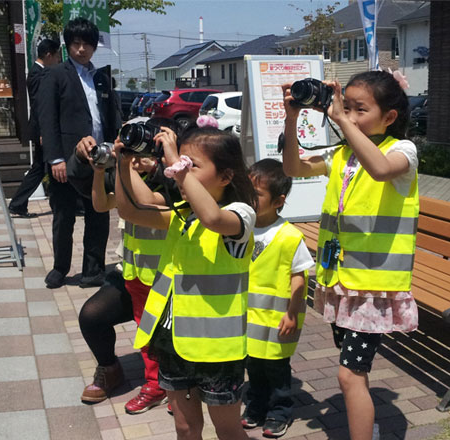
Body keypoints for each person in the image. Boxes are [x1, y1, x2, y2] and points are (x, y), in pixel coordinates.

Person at [280, 71, 420, 440]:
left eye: (361, 109)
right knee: (353, 367)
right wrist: (292, 117)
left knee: (348, 374)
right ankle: (367, 425)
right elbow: (292, 168)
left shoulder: (402, 151)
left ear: (389, 117)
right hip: (340, 280)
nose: (350, 115)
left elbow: (380, 169)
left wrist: (341, 119)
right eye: (347, 107)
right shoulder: (343, 154)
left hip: (374, 286)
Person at [124, 117, 257, 440]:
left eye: (191, 164)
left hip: (216, 350)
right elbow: (130, 210)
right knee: (185, 427)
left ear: (226, 176)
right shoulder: (184, 213)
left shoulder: (241, 214)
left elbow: (213, 217)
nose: (179, 169)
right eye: (180, 163)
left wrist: (174, 162)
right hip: (173, 340)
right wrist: (123, 161)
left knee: (226, 429)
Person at [76, 117, 181, 415]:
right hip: (135, 273)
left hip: (165, 275)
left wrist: (124, 162)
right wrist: (100, 172)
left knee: (167, 332)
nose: (133, 155)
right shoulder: (129, 177)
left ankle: (173, 385)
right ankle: (155, 383)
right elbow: (101, 204)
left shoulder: (169, 183)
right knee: (146, 331)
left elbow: (144, 203)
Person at [38, 17, 122, 289]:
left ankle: (93, 270)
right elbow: (47, 120)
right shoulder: (55, 75)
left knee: (98, 214)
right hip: (68, 159)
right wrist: (56, 159)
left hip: (100, 158)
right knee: (63, 217)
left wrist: (115, 149)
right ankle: (60, 268)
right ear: (68, 45)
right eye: (76, 44)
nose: (82, 50)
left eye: (87, 44)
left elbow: (110, 116)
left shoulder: (101, 77)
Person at [242, 159, 315, 438]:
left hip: (278, 320)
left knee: (276, 369)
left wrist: (293, 313)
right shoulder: (241, 228)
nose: (250, 199)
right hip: (248, 319)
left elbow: (299, 277)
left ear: (278, 200)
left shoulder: (289, 236)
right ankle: (256, 406)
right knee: (254, 367)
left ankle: (280, 411)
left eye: (257, 194)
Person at [8, 38, 61, 218]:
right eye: (56, 56)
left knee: (46, 167)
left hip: (41, 130)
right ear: (48, 55)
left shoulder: (38, 72)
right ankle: (17, 203)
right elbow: (40, 105)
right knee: (41, 168)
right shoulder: (38, 75)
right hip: (41, 131)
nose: (57, 61)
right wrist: (42, 132)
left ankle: (60, 204)